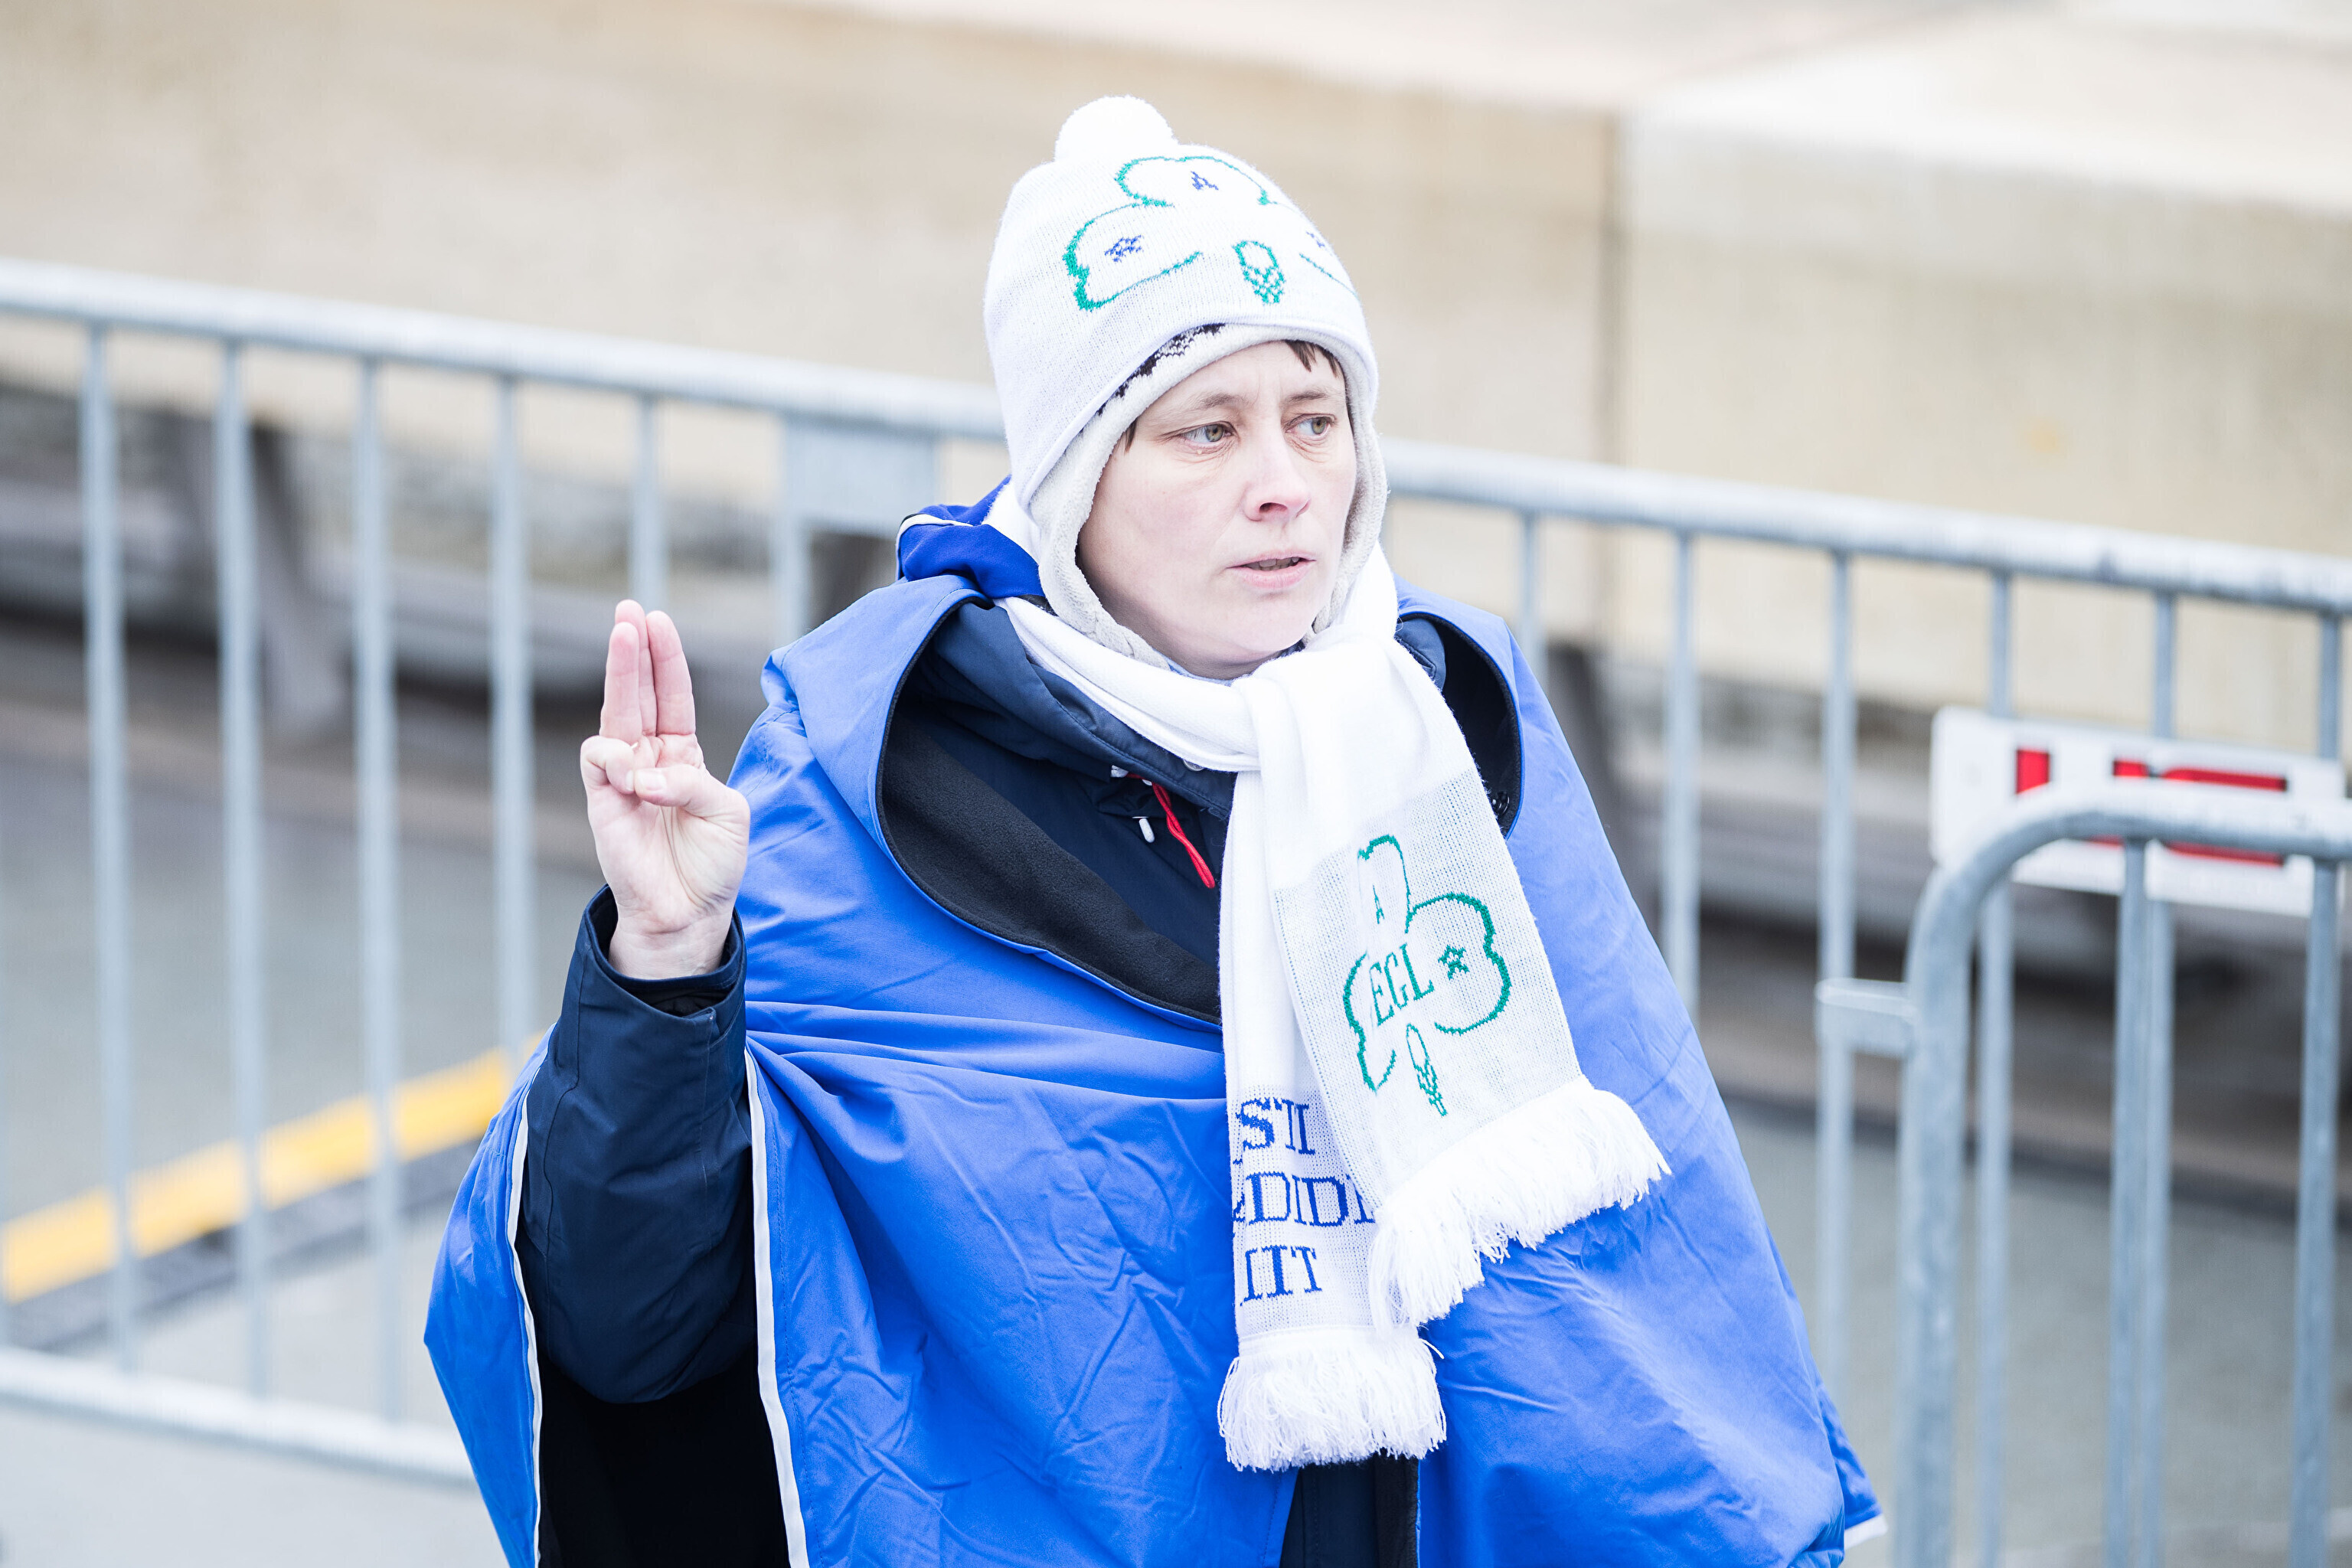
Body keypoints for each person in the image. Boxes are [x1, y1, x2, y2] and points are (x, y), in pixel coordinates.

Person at [429, 97, 1878, 1568]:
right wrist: (667, 967)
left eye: (1316, 420)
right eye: (1207, 430)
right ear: (1076, 482)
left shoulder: (1448, 727)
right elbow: (635, 1322)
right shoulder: (880, 776)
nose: (1286, 484)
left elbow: (1654, 1286)